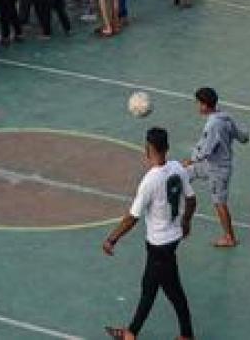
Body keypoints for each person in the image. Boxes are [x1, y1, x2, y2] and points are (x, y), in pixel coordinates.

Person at [102, 126, 197, 340]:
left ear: (148, 149)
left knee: (174, 292)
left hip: (159, 245)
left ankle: (186, 336)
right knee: (149, 288)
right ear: (167, 147)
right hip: (172, 239)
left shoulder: (149, 181)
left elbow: (132, 217)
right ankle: (131, 332)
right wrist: (186, 222)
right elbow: (191, 200)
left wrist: (112, 239)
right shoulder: (177, 168)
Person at [184, 87, 249, 248]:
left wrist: (192, 160)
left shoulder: (213, 125)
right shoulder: (225, 118)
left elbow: (206, 149)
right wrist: (245, 137)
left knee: (219, 203)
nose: (198, 107)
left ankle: (230, 238)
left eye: (199, 103)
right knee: (183, 174)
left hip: (218, 170)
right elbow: (241, 136)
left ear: (206, 105)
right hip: (211, 165)